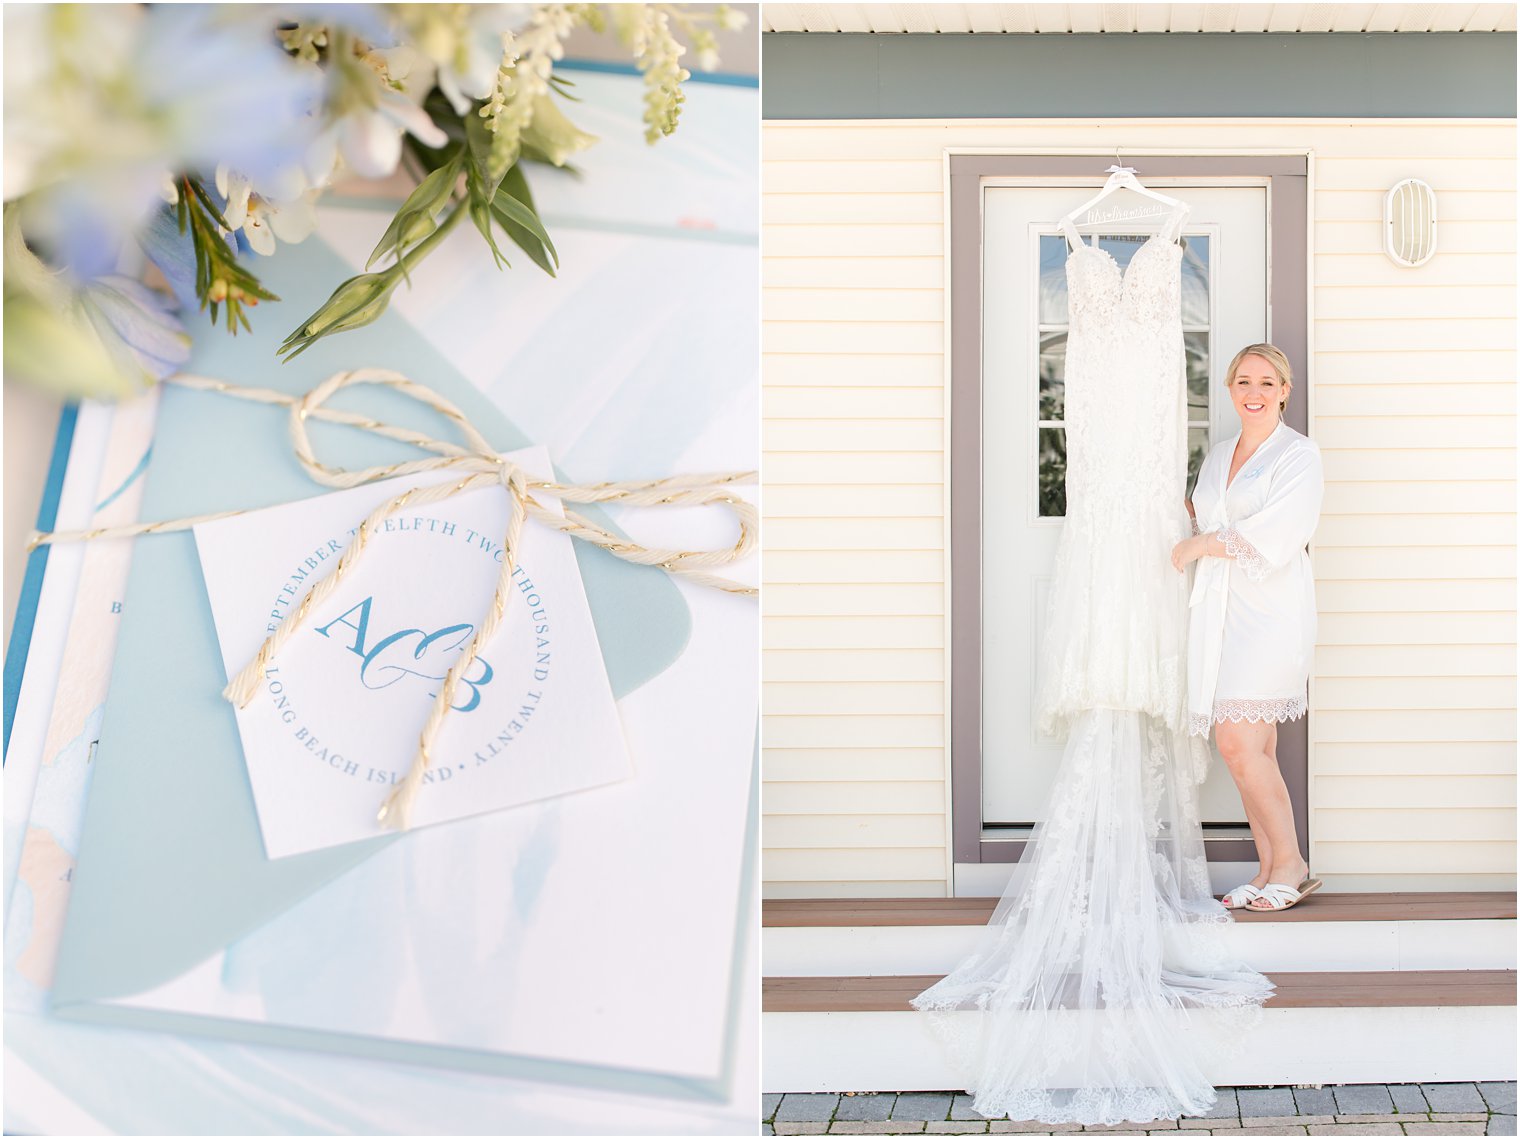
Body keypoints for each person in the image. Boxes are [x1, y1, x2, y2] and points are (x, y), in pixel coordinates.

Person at [1170, 343, 1324, 913]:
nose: (1253, 393)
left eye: (1266, 383)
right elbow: (1199, 512)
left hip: (1271, 615)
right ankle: (1266, 869)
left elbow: (1280, 532)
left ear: (1285, 390)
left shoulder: (1298, 455)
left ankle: (1291, 863)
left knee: (1238, 741)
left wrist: (1201, 545)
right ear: (1231, 390)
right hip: (1220, 613)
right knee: (1248, 747)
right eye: (1243, 382)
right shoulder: (1218, 456)